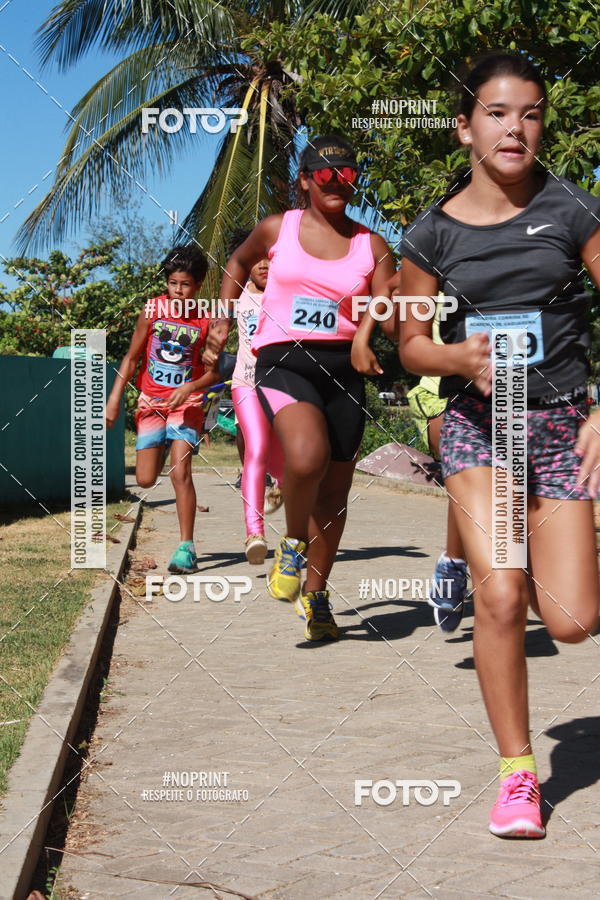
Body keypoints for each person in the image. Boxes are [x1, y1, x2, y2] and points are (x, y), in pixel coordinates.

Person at [352, 53, 600, 838]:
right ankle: (519, 774)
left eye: (528, 113)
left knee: (568, 621)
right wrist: (458, 358)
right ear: (465, 127)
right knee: (499, 594)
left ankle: (547, 553)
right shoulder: (433, 231)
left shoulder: (573, 212)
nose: (514, 128)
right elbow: (411, 343)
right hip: (478, 426)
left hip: (563, 423)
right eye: (496, 113)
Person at [212, 135, 396, 640]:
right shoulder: (279, 228)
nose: (337, 183)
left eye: (348, 175)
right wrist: (223, 321)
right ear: (305, 180)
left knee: (334, 494)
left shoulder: (371, 245)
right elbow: (235, 264)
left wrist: (367, 333)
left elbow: (390, 309)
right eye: (325, 174)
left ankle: (316, 597)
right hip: (284, 359)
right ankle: (291, 544)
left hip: (344, 368)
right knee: (307, 457)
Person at [105, 244, 220, 574]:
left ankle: (186, 547)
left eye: (185, 285)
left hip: (188, 404)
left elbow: (214, 372)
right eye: (173, 283)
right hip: (151, 402)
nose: (178, 291)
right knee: (143, 480)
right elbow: (131, 357)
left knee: (180, 472)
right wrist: (114, 399)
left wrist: (189, 388)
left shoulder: (207, 319)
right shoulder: (152, 310)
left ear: (197, 285)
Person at [228, 228, 284, 564]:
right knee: (256, 449)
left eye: (270, 258)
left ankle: (283, 488)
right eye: (256, 258)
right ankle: (254, 532)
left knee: (286, 462)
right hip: (245, 383)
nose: (263, 264)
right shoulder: (236, 294)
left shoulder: (286, 292)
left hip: (281, 385)